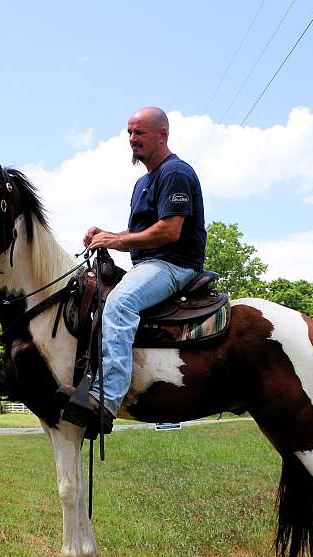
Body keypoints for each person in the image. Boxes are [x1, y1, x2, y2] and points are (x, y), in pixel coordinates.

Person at [59, 106, 207, 433]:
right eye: (129, 132)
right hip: (147, 264)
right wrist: (106, 236)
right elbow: (139, 234)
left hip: (175, 265)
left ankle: (105, 400)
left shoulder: (175, 173)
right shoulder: (142, 183)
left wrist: (117, 241)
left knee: (120, 303)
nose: (132, 139)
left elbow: (169, 231)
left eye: (139, 132)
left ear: (162, 134)